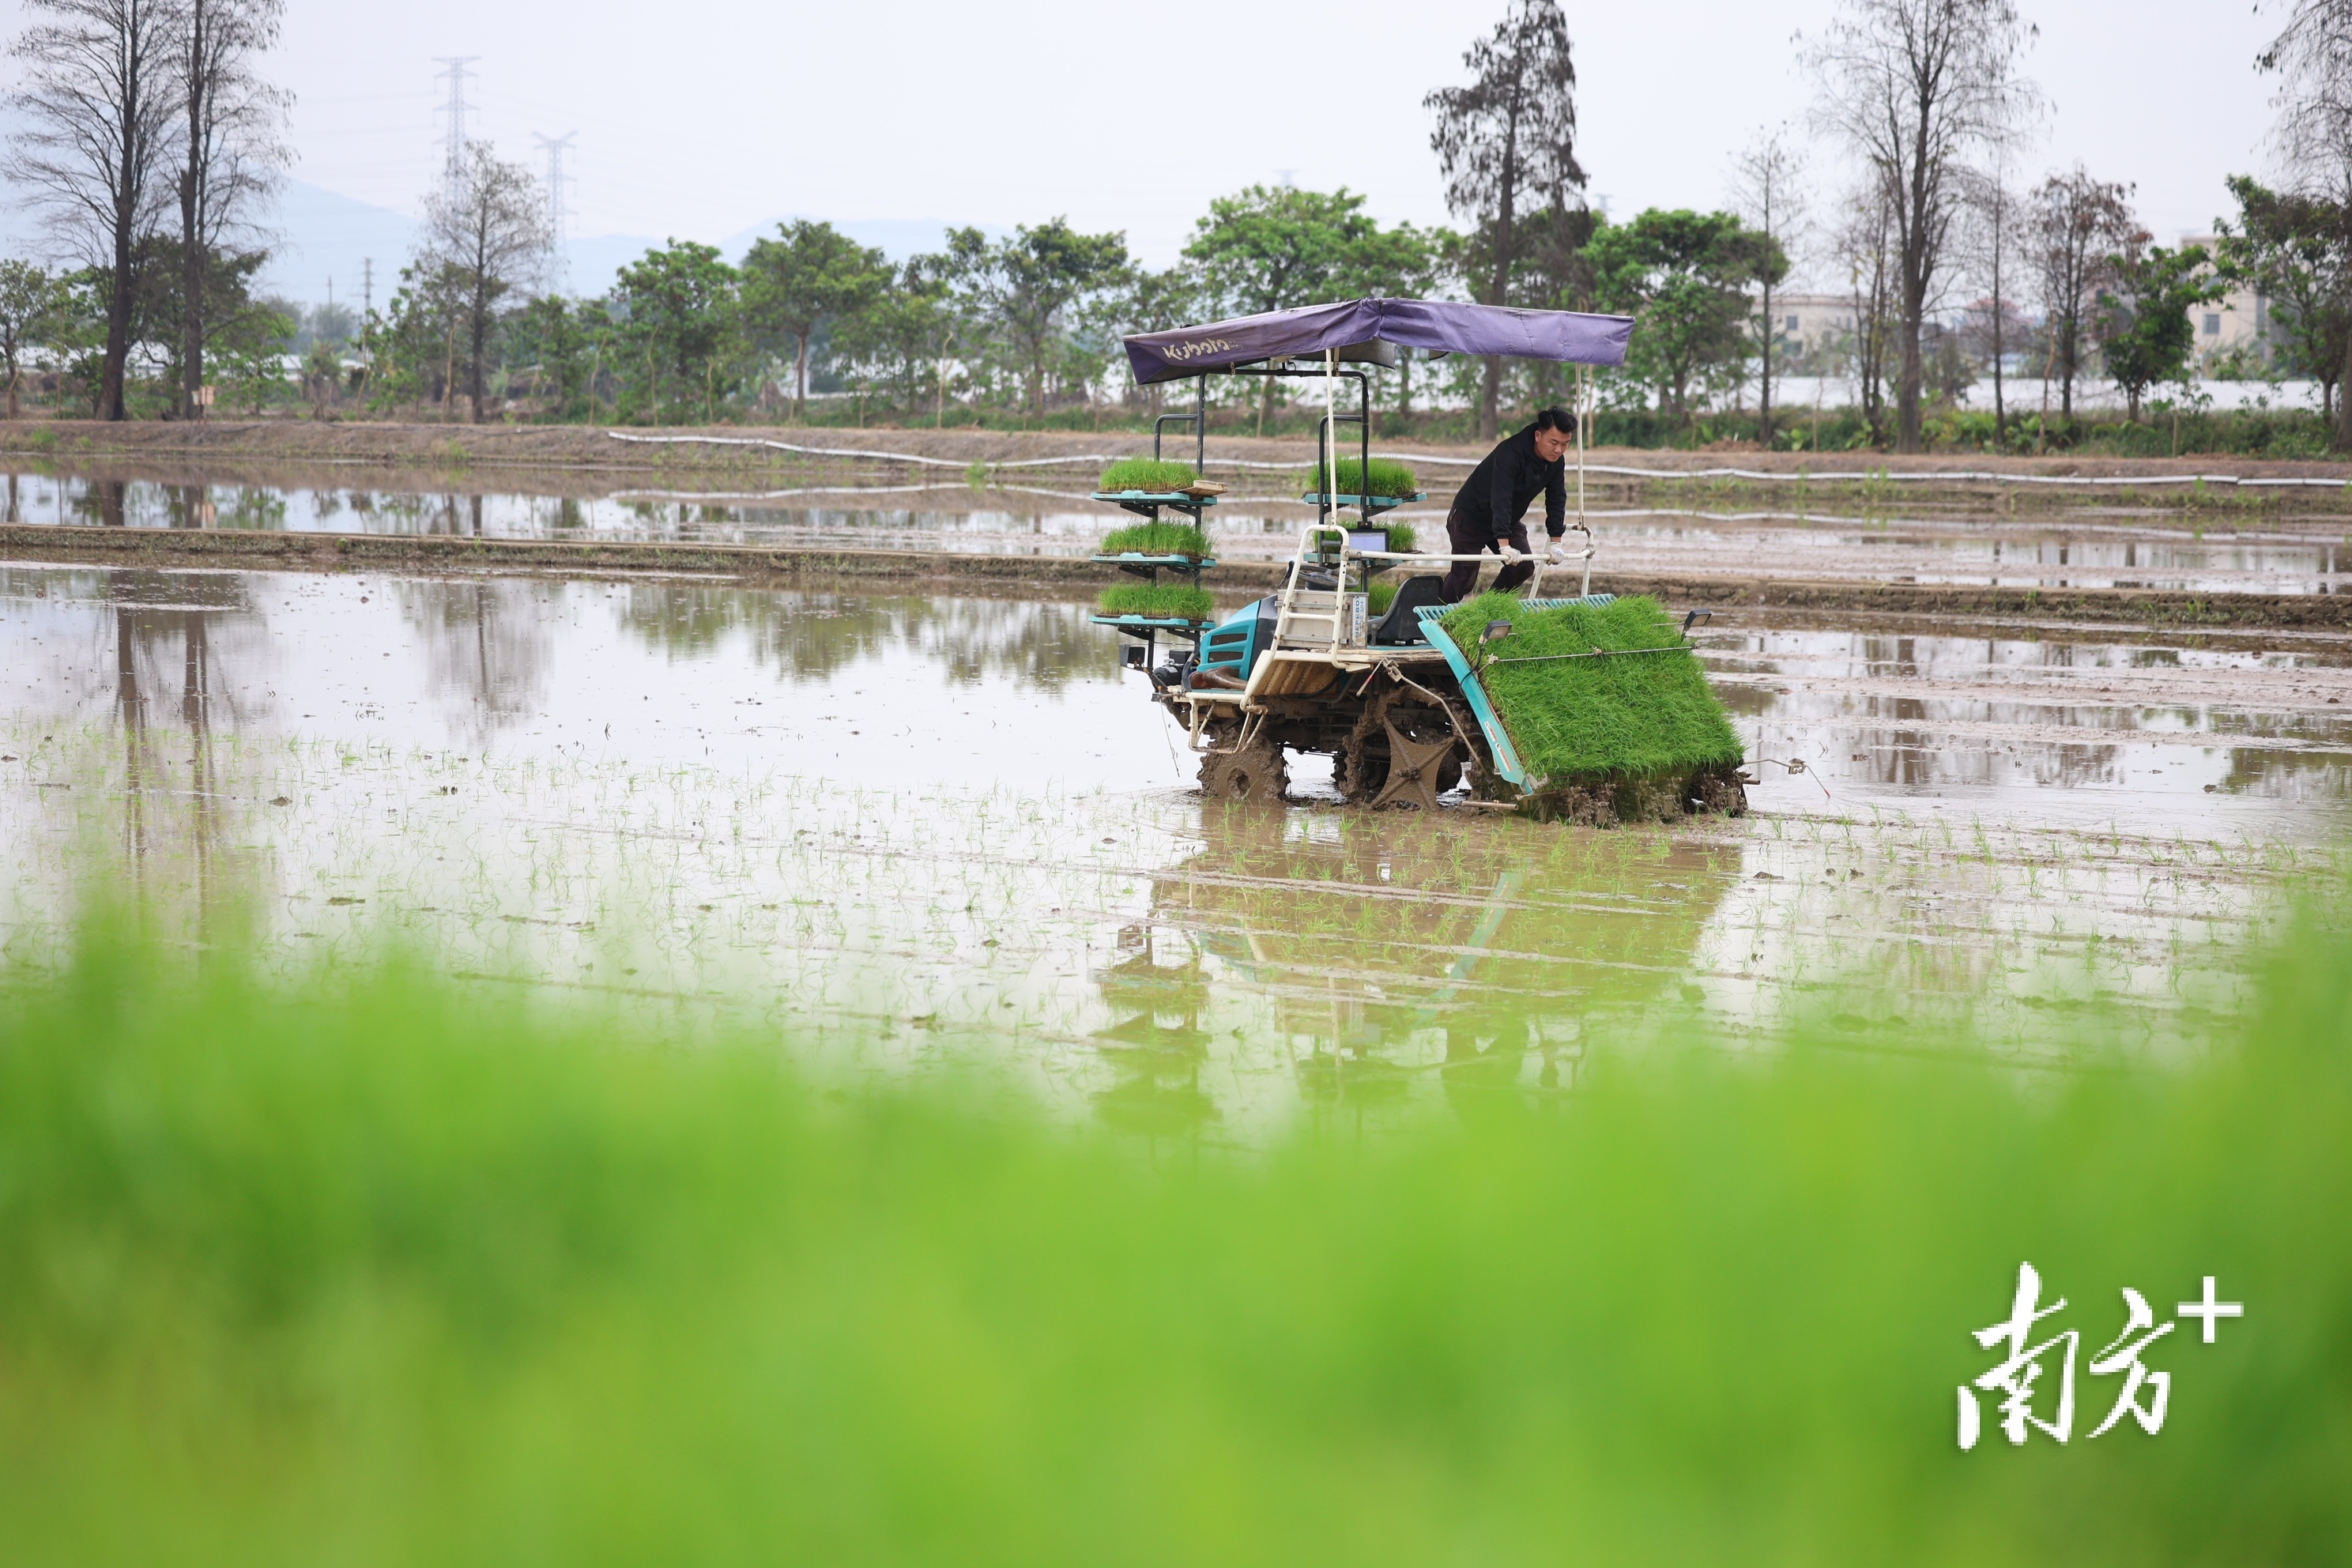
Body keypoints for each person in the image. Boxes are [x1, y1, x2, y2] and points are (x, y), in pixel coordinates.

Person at [1438, 407, 1576, 603]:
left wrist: (1556, 543)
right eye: (1554, 443)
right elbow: (1501, 498)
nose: (1559, 450)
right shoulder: (1511, 453)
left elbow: (1556, 499)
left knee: (1523, 567)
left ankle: (1486, 609)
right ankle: (1432, 621)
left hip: (1508, 519)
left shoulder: (1556, 462)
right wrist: (1505, 546)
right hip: (1470, 517)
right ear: (1538, 435)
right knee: (1464, 579)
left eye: (1565, 444)